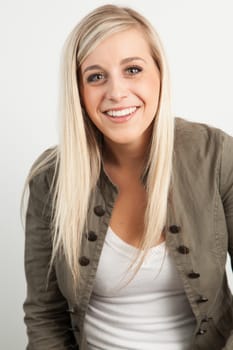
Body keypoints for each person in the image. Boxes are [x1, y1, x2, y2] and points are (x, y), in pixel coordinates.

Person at [23, 4, 233, 350]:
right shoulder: (51, 180)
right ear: (78, 91)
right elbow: (45, 316)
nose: (116, 92)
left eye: (132, 69)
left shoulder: (217, 156)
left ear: (160, 74)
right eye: (95, 76)